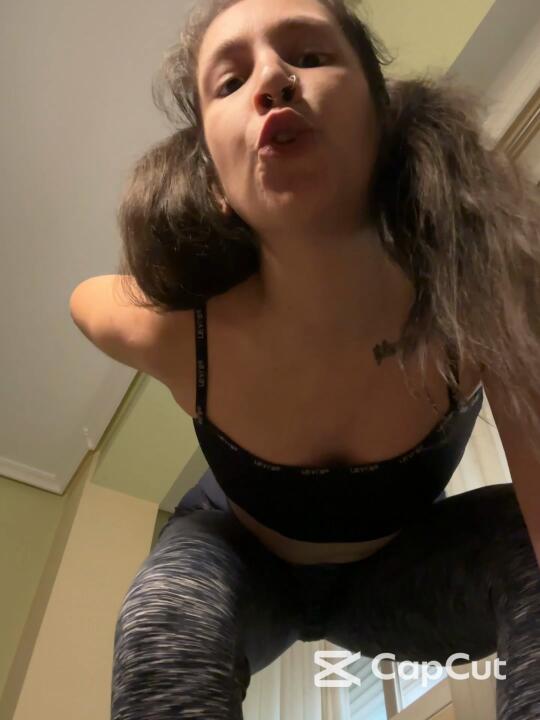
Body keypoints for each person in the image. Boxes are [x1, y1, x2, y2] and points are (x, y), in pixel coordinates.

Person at [105, 0, 540, 717]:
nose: (272, 79)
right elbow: (89, 300)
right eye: (230, 81)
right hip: (241, 565)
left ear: (382, 119)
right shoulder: (184, 334)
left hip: (396, 574)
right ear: (211, 179)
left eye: (309, 55)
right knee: (165, 618)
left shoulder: (484, 297)